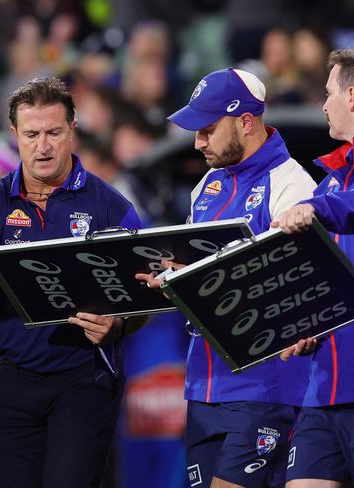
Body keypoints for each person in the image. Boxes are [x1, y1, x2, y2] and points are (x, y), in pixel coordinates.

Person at [0, 77, 145, 487]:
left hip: (82, 380)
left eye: (53, 133)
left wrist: (119, 324)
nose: (43, 146)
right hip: (13, 381)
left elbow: (143, 293)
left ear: (72, 130)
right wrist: (20, 262)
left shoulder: (111, 206)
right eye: (31, 134)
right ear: (14, 135)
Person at [136, 68, 316, 488]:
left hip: (265, 385)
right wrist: (178, 281)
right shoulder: (205, 188)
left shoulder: (292, 184)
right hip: (203, 384)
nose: (197, 142)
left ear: (246, 122)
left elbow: (295, 281)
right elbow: (204, 278)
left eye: (208, 130)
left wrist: (203, 278)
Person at [273, 46, 354, 488]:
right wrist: (303, 323)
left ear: (352, 97)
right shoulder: (330, 182)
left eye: (329, 93)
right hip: (325, 383)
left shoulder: (327, 198)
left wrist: (317, 209)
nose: (323, 103)